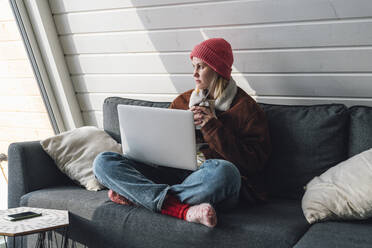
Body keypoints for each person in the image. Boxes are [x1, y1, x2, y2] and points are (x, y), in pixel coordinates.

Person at [93, 38, 271, 228]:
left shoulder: (246, 109)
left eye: (201, 67)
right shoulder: (183, 100)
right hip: (174, 174)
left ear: (217, 69)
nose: (194, 73)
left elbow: (254, 164)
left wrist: (212, 126)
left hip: (208, 181)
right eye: (193, 66)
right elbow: (162, 147)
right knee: (103, 162)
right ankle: (181, 209)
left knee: (226, 172)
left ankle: (141, 197)